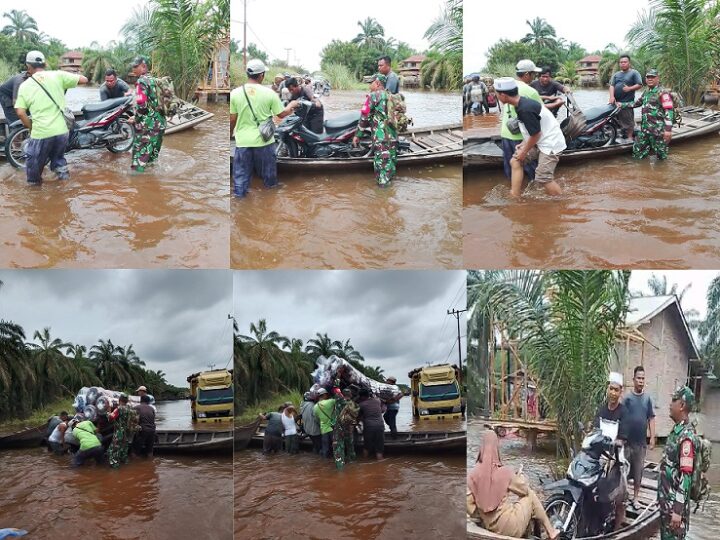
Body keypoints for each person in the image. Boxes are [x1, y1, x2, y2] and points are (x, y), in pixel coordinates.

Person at [467, 430, 561, 539]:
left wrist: (483, 516)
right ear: (496, 448)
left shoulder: (472, 474)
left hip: (489, 526)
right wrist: (519, 477)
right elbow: (524, 490)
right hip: (510, 528)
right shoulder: (505, 472)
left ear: (481, 448)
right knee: (530, 495)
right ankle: (551, 531)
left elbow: (469, 505)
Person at [14, 50, 89, 184]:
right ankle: (64, 188)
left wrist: (31, 127)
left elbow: (20, 112)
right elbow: (84, 79)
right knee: (59, 161)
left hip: (41, 133)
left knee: (34, 171)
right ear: (45, 64)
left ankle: (36, 199)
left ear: (28, 66)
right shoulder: (58, 75)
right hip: (62, 132)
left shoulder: (25, 86)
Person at [230, 59, 298, 198]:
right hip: (265, 142)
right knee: (269, 179)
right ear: (261, 75)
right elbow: (281, 114)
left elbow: (232, 119)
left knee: (240, 180)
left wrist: (230, 134)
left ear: (248, 74)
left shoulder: (235, 93)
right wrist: (291, 106)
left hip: (243, 142)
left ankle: (240, 205)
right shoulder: (269, 94)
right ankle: (269, 205)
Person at [494, 77, 565, 198]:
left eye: (496, 94)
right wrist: (523, 142)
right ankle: (515, 195)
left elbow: (536, 134)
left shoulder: (525, 108)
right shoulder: (520, 104)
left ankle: (561, 200)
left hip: (551, 143)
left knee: (543, 177)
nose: (496, 97)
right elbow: (532, 129)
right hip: (541, 140)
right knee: (515, 161)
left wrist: (524, 151)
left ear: (503, 95)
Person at [658, 386, 698, 540]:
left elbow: (686, 475)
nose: (670, 404)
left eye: (673, 400)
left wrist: (678, 510)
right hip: (666, 505)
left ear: (682, 405)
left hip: (674, 510)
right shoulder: (676, 431)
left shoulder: (686, 436)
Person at [594, 372, 629, 531]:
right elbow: (595, 431)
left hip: (616, 459)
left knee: (620, 497)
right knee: (595, 491)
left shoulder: (624, 412)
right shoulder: (601, 410)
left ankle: (616, 528)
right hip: (600, 457)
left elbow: (623, 438)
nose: (613, 393)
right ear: (607, 389)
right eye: (611, 389)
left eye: (616, 390)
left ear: (620, 391)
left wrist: (616, 444)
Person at [499, 60, 543, 181]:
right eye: (533, 74)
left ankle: (514, 193)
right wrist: (556, 102)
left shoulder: (508, 87)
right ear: (527, 74)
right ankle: (534, 196)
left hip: (506, 132)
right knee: (531, 170)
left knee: (511, 168)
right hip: (523, 136)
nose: (534, 77)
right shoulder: (531, 91)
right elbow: (541, 110)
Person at [617, 69, 674, 160]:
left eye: (652, 77)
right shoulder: (646, 92)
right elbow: (636, 103)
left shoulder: (663, 93)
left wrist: (668, 130)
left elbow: (669, 111)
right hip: (645, 130)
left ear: (658, 79)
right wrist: (622, 104)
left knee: (661, 156)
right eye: (648, 77)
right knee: (638, 152)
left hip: (658, 131)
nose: (650, 79)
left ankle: (662, 172)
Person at [352, 74, 397, 186]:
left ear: (377, 83)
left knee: (381, 167)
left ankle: (382, 197)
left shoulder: (373, 96)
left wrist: (358, 135)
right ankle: (390, 191)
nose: (369, 86)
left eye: (370, 83)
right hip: (393, 137)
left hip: (381, 137)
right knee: (390, 166)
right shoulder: (392, 96)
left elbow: (364, 117)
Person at [623, 366, 656, 507]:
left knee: (638, 471)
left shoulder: (647, 399)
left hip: (641, 443)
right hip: (627, 443)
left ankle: (635, 499)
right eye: (638, 378)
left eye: (643, 378)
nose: (641, 381)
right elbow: (621, 416)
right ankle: (623, 496)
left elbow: (651, 418)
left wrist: (652, 437)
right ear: (633, 379)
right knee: (623, 471)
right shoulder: (627, 398)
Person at [129, 56, 166, 172]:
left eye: (136, 66)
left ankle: (137, 184)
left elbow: (142, 105)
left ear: (143, 67)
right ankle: (151, 185)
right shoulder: (155, 80)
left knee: (138, 161)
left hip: (148, 125)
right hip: (161, 123)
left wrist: (136, 118)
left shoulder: (141, 81)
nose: (133, 69)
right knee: (152, 159)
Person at [608, 55, 643, 143]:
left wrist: (629, 88)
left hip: (627, 102)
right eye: (621, 62)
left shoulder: (634, 73)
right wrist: (611, 97)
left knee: (628, 121)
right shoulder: (616, 74)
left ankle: (630, 138)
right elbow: (611, 85)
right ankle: (617, 136)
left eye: (625, 62)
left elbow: (639, 84)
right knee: (615, 119)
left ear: (629, 63)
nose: (623, 64)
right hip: (615, 102)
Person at [107, 393, 139, 468]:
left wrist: (108, 412)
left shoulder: (119, 409)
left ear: (119, 400)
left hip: (119, 432)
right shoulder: (130, 409)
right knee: (124, 448)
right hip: (127, 432)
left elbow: (111, 418)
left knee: (114, 449)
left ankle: (115, 467)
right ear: (127, 401)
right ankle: (125, 464)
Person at [333, 388, 359, 470]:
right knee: (350, 447)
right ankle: (353, 464)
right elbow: (355, 416)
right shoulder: (353, 404)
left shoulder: (337, 402)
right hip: (349, 428)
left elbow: (336, 391)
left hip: (339, 428)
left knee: (339, 448)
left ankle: (340, 467)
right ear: (350, 394)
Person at [357, 388, 385, 460]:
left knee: (367, 446)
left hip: (369, 427)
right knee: (379, 448)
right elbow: (383, 409)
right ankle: (380, 464)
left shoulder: (361, 404)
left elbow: (358, 417)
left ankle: (365, 463)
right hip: (380, 426)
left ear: (362, 396)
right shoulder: (377, 401)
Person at [313, 388, 336, 459]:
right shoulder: (330, 402)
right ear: (325, 395)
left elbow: (316, 419)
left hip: (323, 429)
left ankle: (324, 462)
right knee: (336, 446)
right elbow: (340, 400)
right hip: (332, 428)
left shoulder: (315, 407)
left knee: (325, 448)